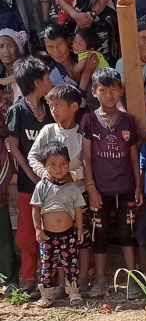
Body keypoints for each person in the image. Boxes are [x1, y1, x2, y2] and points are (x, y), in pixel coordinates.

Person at [80, 68, 144, 300]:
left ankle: (134, 280)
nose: (109, 94)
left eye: (114, 89)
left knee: (127, 233)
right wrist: (91, 188)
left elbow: (134, 156)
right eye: (103, 89)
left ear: (121, 91)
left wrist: (138, 185)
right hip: (100, 190)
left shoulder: (128, 121)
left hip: (125, 187)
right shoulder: (89, 120)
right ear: (95, 92)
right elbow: (86, 158)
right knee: (100, 234)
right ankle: (99, 281)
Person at [27, 84, 85, 288]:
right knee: (52, 245)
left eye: (58, 105)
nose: (53, 110)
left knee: (74, 243)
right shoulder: (47, 131)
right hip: (50, 196)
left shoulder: (82, 135)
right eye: (50, 106)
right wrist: (44, 173)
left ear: (74, 106)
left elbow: (89, 164)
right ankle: (55, 285)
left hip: (75, 193)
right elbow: (32, 156)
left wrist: (73, 175)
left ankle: (75, 284)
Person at [7, 58, 54, 296]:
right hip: (28, 185)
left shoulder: (51, 109)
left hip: (53, 182)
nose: (50, 81)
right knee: (27, 232)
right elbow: (14, 146)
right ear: (37, 82)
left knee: (52, 230)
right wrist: (32, 174)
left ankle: (50, 278)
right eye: (47, 78)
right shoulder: (17, 111)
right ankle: (28, 278)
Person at [30, 141, 85, 308]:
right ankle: (47, 295)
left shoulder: (72, 187)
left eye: (63, 164)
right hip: (48, 236)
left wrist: (80, 229)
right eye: (52, 164)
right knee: (47, 266)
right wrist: (38, 229)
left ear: (69, 165)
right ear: (45, 166)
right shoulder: (42, 186)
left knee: (71, 264)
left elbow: (78, 210)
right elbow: (35, 209)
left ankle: (74, 293)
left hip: (68, 234)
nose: (58, 168)